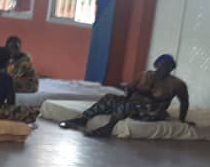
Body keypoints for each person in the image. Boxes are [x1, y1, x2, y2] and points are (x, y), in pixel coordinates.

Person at [59, 54, 193, 137]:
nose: (163, 68)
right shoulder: (144, 75)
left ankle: (107, 129)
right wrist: (127, 92)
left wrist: (182, 120)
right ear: (156, 64)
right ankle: (83, 119)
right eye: (161, 65)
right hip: (133, 105)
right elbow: (130, 89)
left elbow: (184, 102)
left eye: (167, 66)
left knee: (127, 105)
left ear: (172, 68)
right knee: (109, 97)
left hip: (153, 111)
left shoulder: (177, 84)